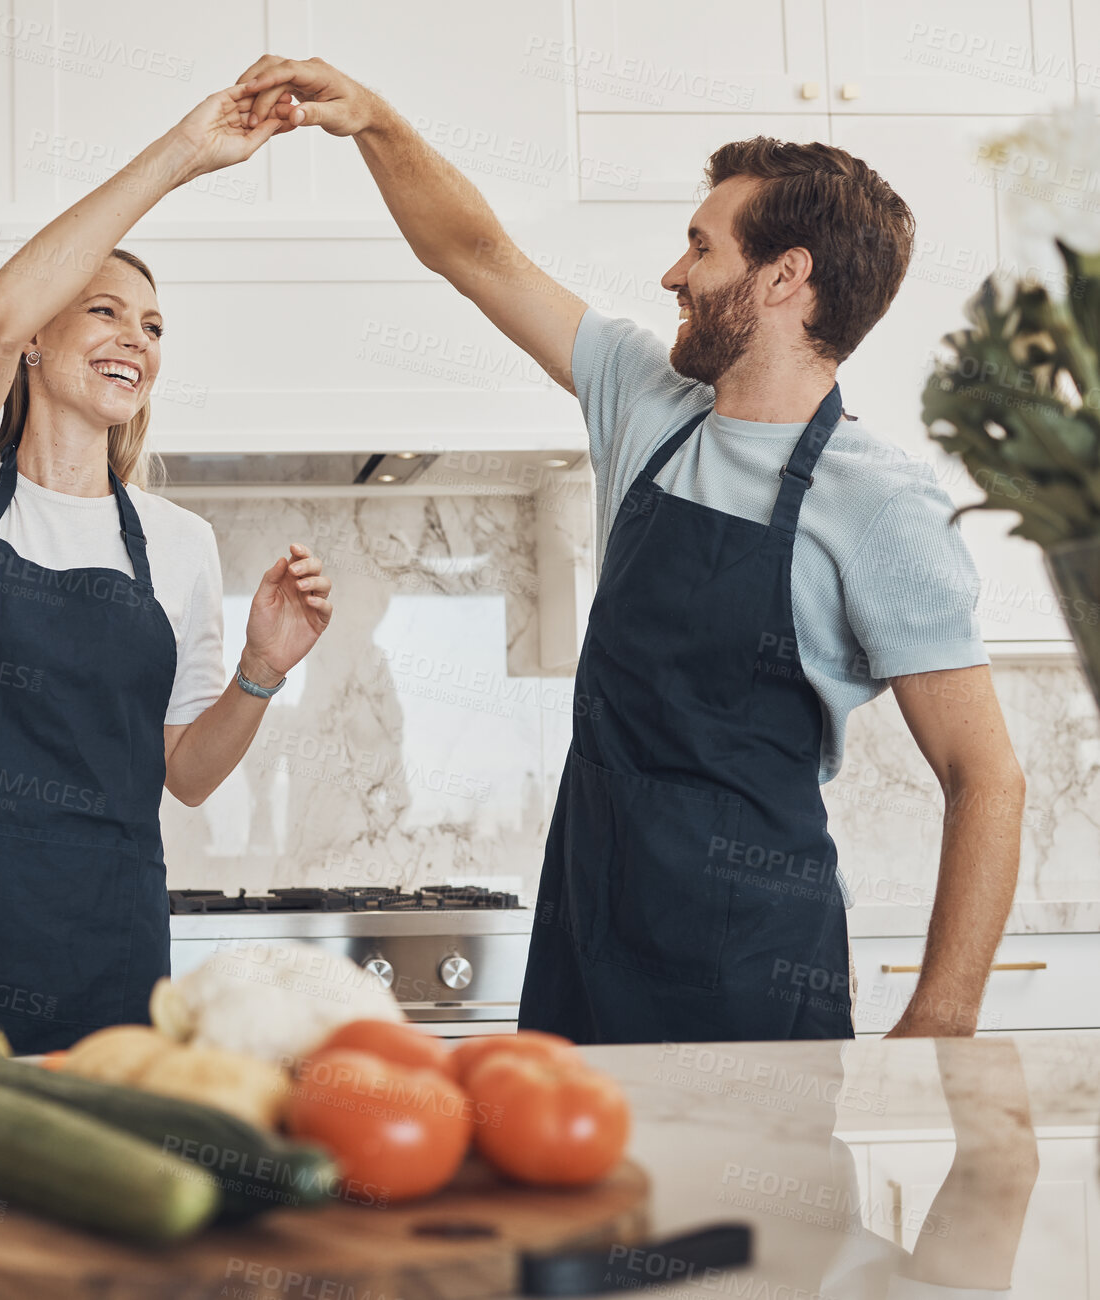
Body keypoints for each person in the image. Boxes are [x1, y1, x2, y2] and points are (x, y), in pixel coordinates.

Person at [233, 57, 1025, 1042]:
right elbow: (475, 252)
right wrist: (374, 123)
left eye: (699, 247)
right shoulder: (648, 406)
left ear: (784, 277)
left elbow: (984, 776)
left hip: (750, 968)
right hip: (582, 943)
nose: (670, 275)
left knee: (748, 1204)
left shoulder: (880, 504)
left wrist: (940, 1016)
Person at [0, 89, 331, 1054]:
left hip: (101, 958)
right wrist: (185, 152)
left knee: (90, 1205)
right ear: (37, 339)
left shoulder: (178, 542)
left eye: (151, 327)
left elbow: (185, 773)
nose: (134, 340)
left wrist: (262, 672)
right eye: (103, 311)